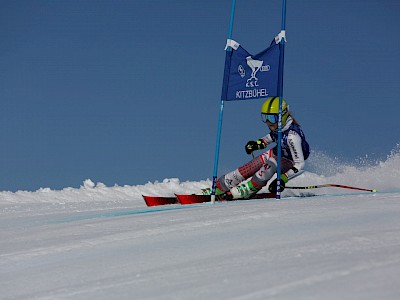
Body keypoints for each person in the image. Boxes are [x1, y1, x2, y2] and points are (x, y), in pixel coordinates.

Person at [212, 97, 310, 199]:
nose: (268, 122)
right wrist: (256, 144)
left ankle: (250, 188)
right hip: (279, 153)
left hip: (290, 161)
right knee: (252, 165)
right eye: (265, 117)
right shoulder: (279, 128)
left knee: (270, 164)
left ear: (282, 116)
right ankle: (222, 185)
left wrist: (282, 179)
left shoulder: (292, 136)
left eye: (272, 118)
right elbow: (270, 138)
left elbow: (300, 164)